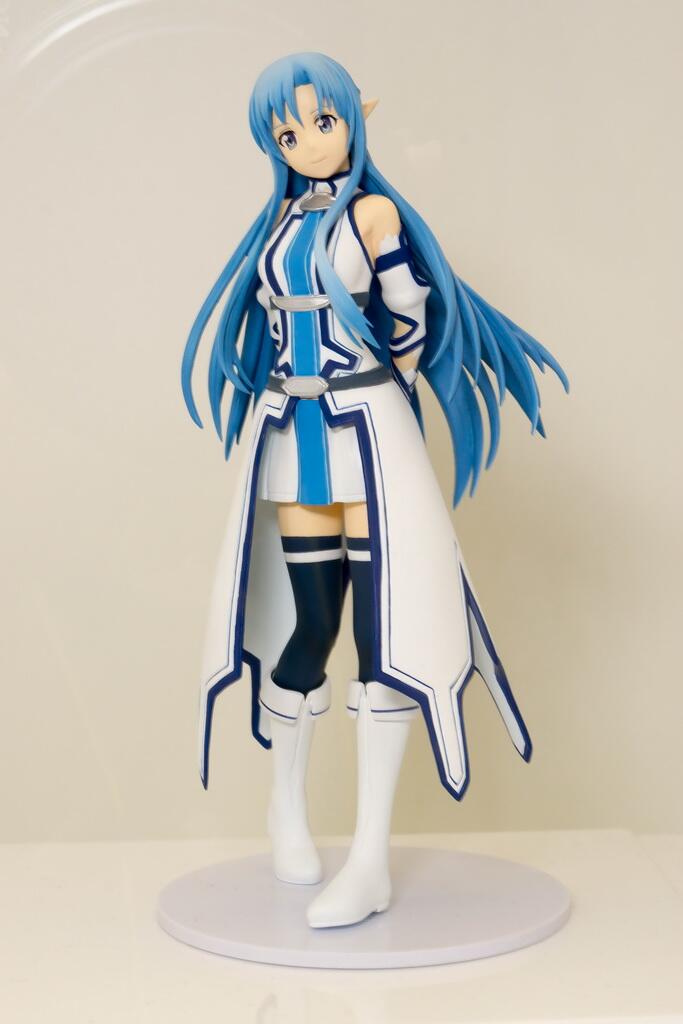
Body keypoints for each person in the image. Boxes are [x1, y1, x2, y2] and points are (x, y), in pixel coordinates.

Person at [181, 52, 568, 929]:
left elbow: (412, 314)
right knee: (308, 622)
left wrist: (376, 380)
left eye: (322, 122)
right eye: (288, 133)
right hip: (295, 438)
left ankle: (368, 858)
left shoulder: (373, 213)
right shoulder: (279, 222)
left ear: (354, 116)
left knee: (380, 635)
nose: (308, 143)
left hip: (364, 435)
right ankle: (284, 808)